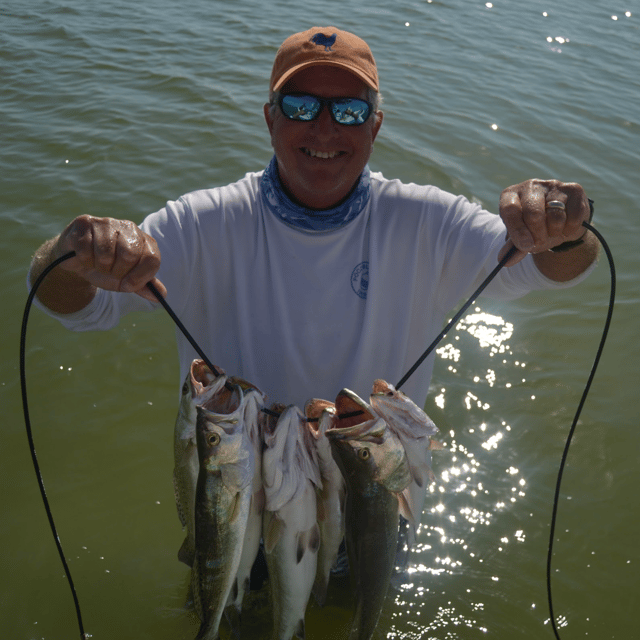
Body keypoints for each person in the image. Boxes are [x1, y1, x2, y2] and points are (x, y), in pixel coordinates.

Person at [29, 26, 598, 410]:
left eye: (349, 111)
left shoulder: (428, 220)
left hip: (376, 503)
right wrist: (70, 255)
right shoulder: (201, 223)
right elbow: (80, 308)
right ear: (269, 119)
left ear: (374, 127)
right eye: (301, 106)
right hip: (239, 506)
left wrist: (564, 229)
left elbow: (545, 269)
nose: (325, 129)